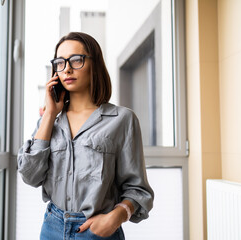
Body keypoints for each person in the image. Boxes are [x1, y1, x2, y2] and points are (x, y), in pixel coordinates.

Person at [17, 32, 154, 240]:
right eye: (60, 63)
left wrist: (116, 217)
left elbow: (138, 189)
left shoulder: (122, 120)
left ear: (94, 64)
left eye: (76, 60)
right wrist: (50, 114)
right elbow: (30, 175)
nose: (67, 69)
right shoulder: (49, 120)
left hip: (97, 232)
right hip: (51, 228)